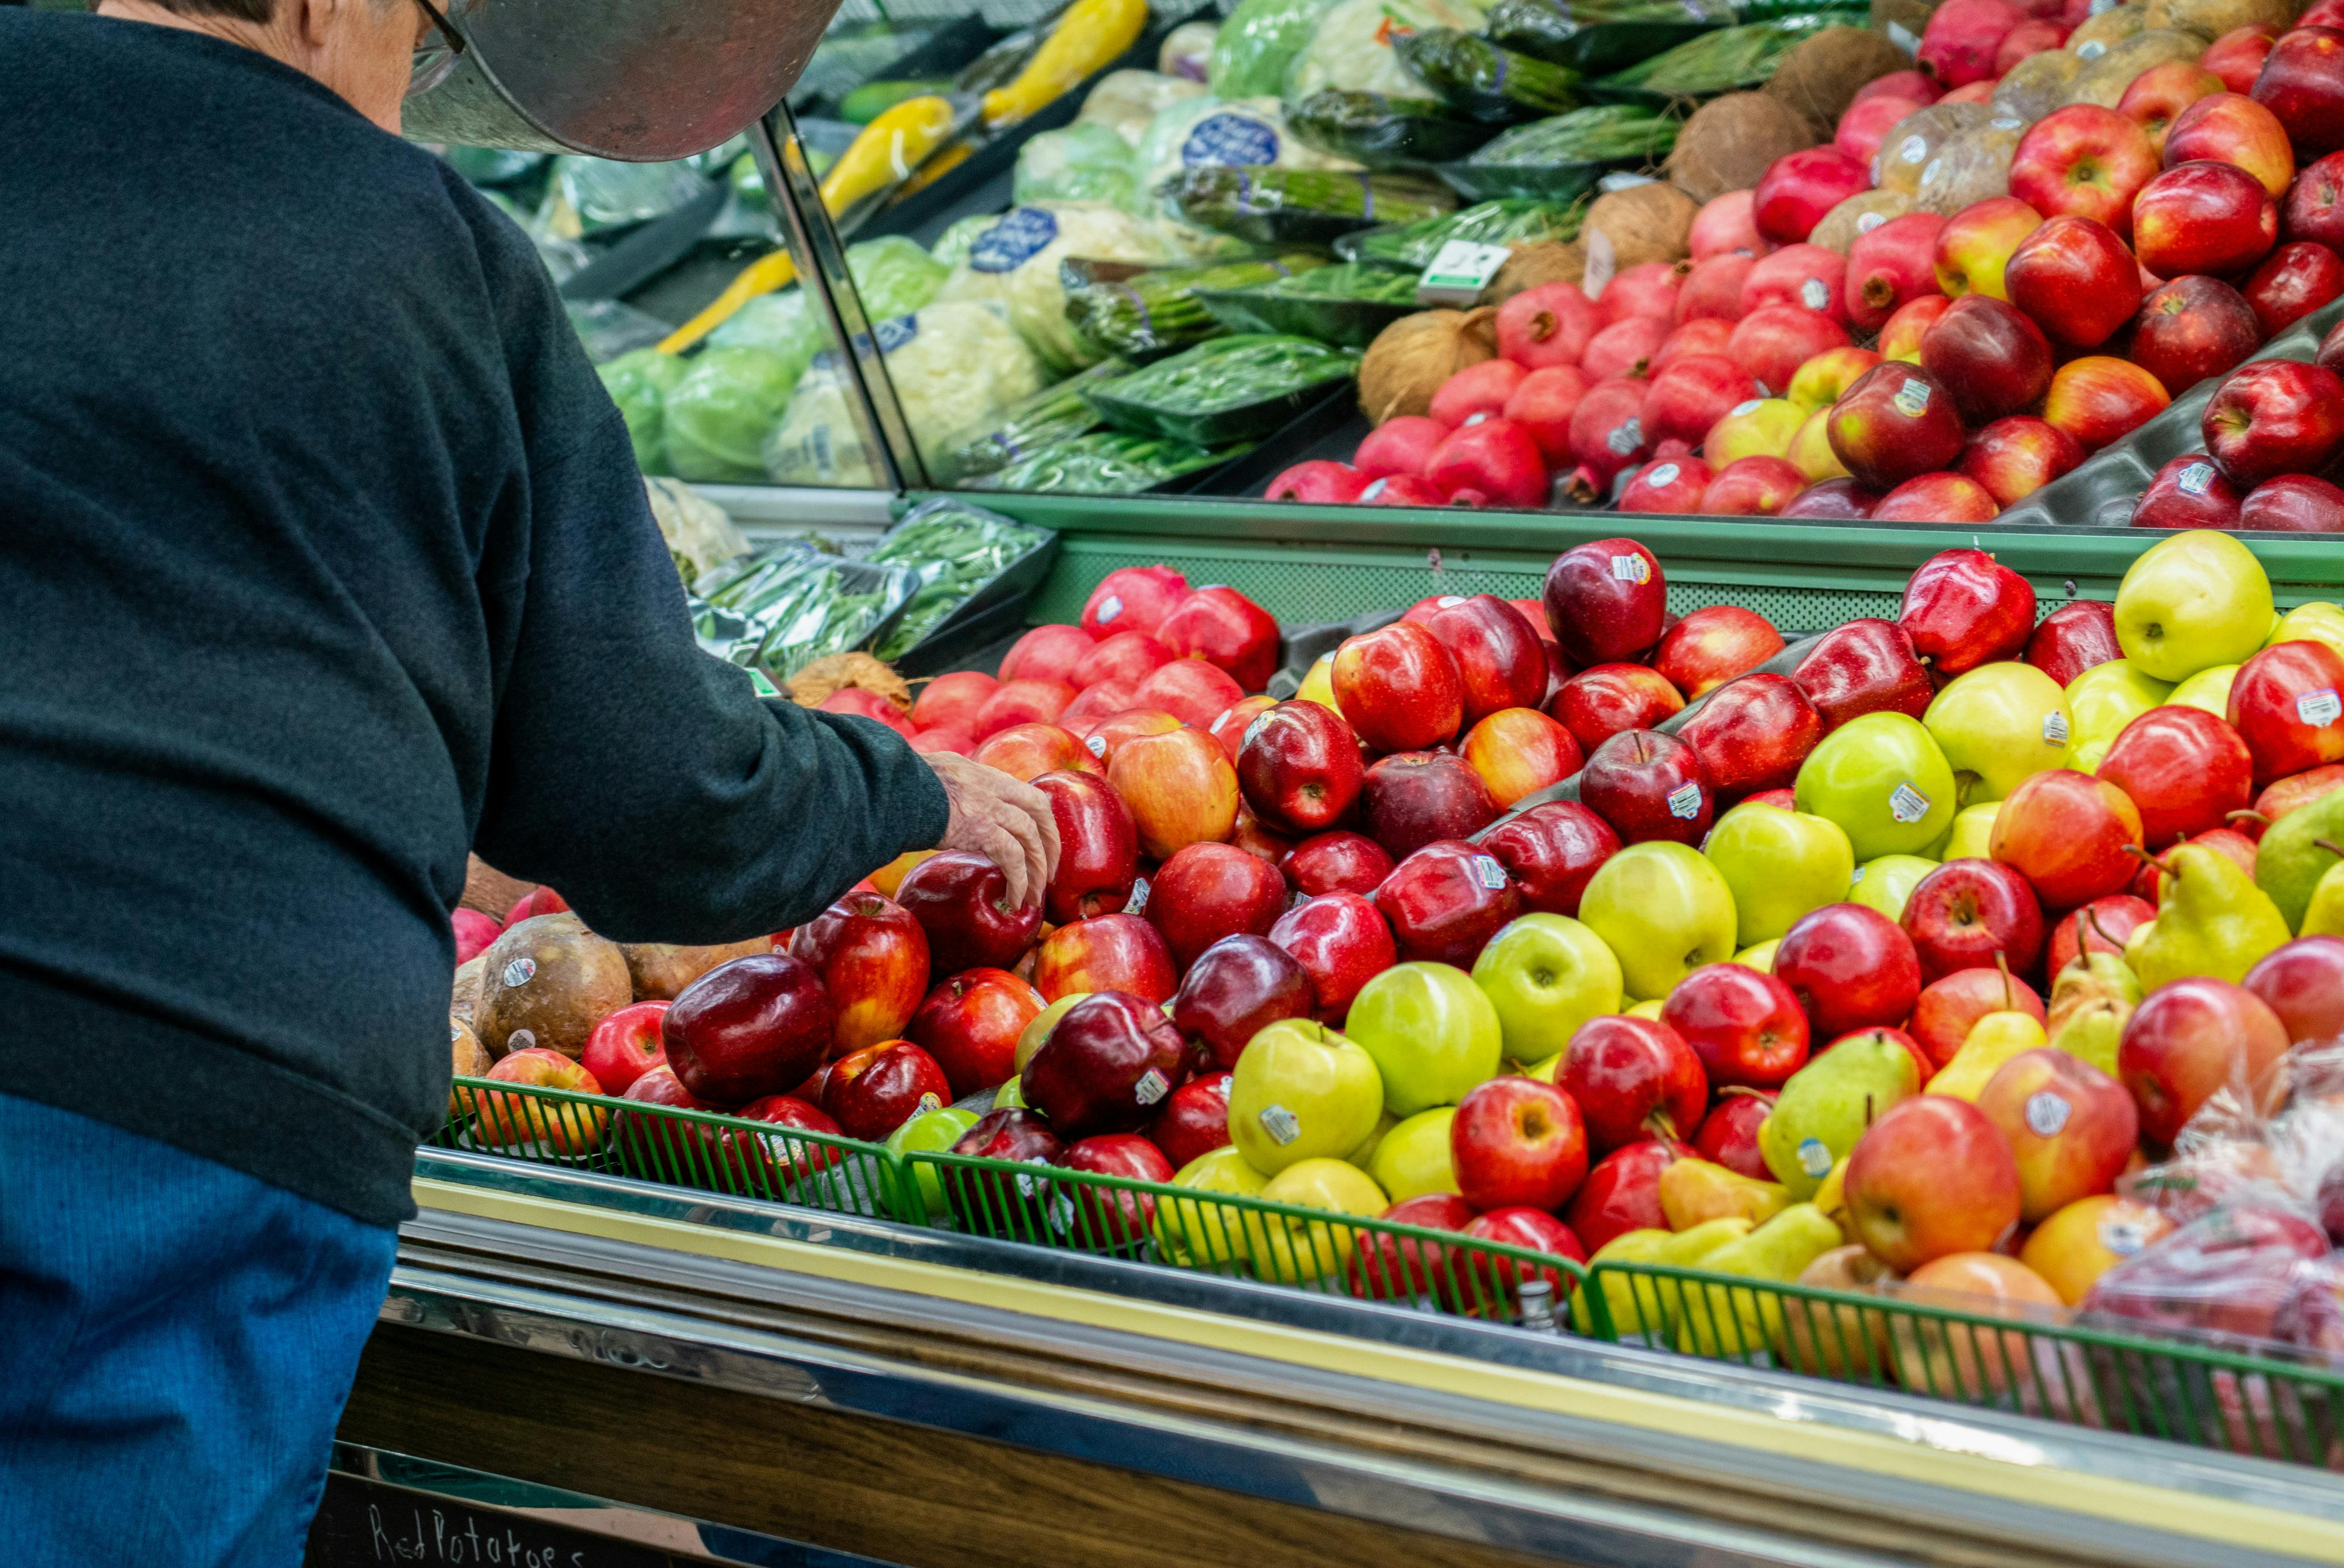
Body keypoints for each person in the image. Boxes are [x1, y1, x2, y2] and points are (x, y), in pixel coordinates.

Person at [0, 2, 1058, 1562]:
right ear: (325, 2)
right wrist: (903, 794)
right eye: (425, 43)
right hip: (179, 1126)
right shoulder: (420, 252)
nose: (414, 89)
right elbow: (665, 809)